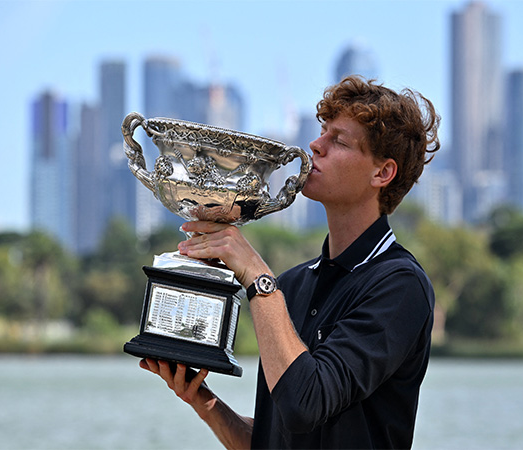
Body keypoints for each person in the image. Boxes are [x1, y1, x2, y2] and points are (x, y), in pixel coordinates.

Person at [140, 75, 441, 449]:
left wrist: (256, 275)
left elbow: (305, 402)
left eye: (339, 141)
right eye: (322, 132)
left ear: (383, 173)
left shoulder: (399, 285)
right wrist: (205, 403)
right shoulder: (293, 284)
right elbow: (271, 440)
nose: (316, 145)